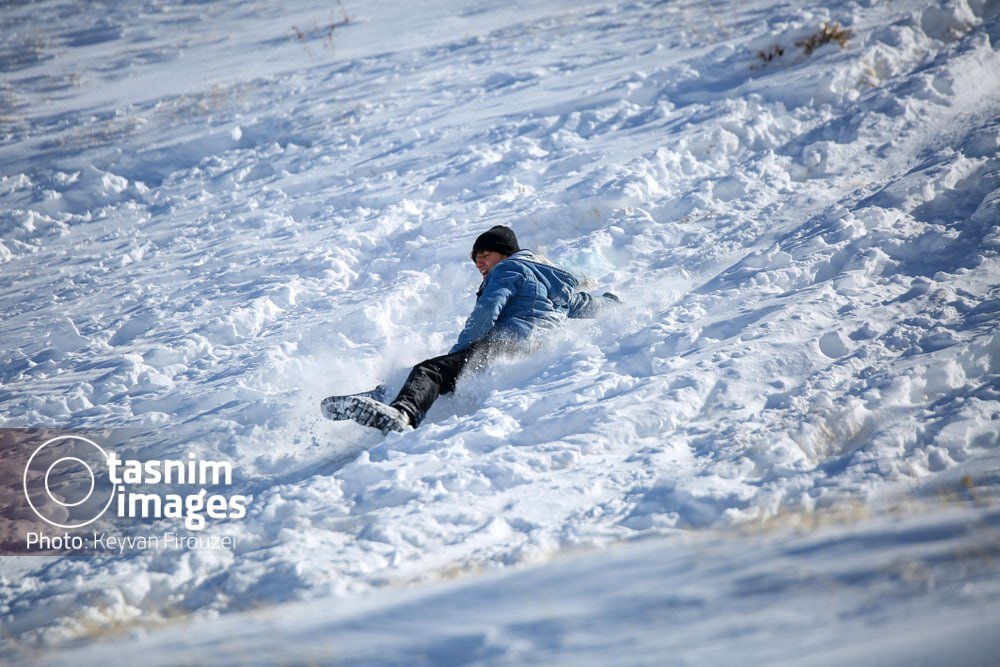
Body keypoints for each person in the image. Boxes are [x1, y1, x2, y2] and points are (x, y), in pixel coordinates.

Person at [321, 225, 619, 434]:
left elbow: (487, 310)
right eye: (476, 260)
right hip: (530, 352)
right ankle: (384, 396)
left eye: (484, 255)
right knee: (442, 374)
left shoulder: (509, 269)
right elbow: (586, 305)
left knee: (432, 370)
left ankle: (402, 413)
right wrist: (614, 304)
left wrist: (462, 351)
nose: (479, 263)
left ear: (505, 254)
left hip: (509, 345)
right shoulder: (554, 286)